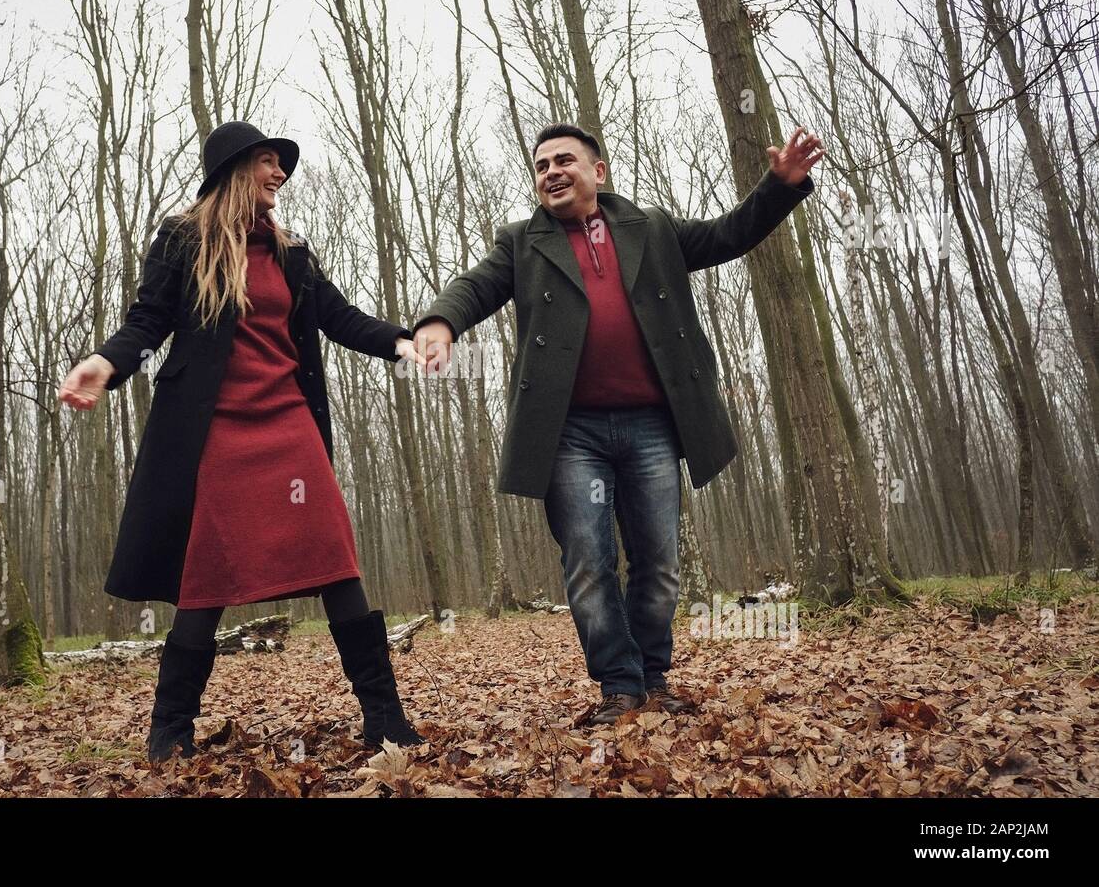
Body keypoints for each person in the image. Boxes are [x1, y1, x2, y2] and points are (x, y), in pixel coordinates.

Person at [411, 122, 822, 725]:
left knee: (658, 560)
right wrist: (440, 321)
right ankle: (619, 688)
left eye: (564, 161)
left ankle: (652, 678)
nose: (551, 171)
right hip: (569, 432)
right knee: (588, 560)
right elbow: (474, 287)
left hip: (652, 424)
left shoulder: (649, 228)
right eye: (542, 164)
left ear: (597, 172)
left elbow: (727, 235)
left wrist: (780, 186)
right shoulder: (523, 243)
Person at [58, 121, 426, 763]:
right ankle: (171, 728)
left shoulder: (292, 254)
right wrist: (104, 364)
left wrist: (401, 340)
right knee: (208, 576)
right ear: (233, 170)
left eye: (281, 164)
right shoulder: (182, 241)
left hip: (290, 425)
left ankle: (385, 718)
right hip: (217, 432)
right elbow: (148, 322)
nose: (279, 174)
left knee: (336, 561)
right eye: (266, 162)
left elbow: (338, 318)